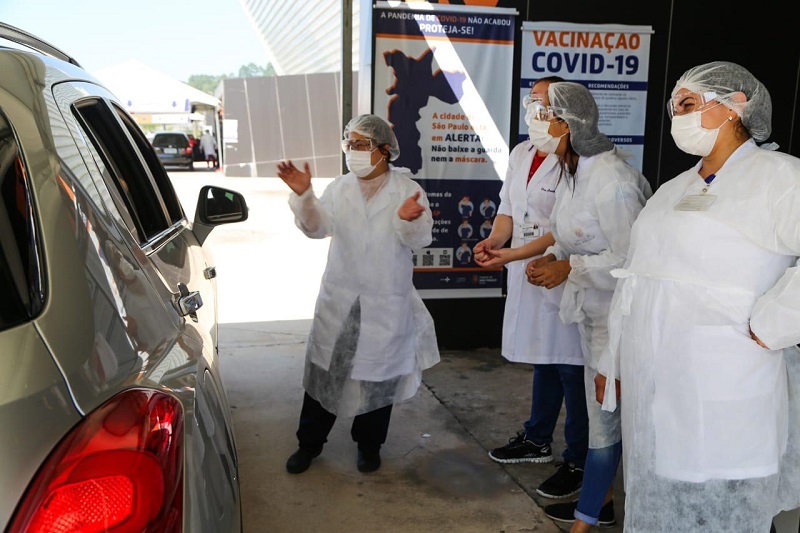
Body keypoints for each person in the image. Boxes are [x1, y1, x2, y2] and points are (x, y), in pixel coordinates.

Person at [597, 61, 800, 532]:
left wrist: (775, 324)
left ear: (736, 105)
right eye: (674, 109)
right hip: (659, 382)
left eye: (688, 104)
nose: (678, 117)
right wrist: (614, 360)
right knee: (666, 494)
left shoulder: (780, 177)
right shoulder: (673, 189)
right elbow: (636, 279)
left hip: (731, 373)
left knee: (728, 503)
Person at [483, 81, 651, 530]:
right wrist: (550, 259)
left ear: (567, 123)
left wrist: (568, 269)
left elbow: (632, 260)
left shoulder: (613, 182)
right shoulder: (575, 171)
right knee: (603, 419)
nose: (534, 123)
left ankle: (585, 519)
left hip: (615, 322)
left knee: (604, 423)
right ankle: (600, 505)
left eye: (543, 115)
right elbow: (563, 233)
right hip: (588, 312)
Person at [277, 114, 440, 475]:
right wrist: (304, 196)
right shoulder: (340, 188)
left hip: (385, 300)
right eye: (349, 143)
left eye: (362, 144)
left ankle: (369, 445)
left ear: (385, 150)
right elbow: (317, 228)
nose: (353, 151)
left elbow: (421, 239)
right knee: (327, 370)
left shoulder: (406, 190)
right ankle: (309, 444)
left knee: (378, 376)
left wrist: (408, 219)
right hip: (341, 298)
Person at [473, 76, 588, 504]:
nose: (534, 110)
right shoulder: (523, 152)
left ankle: (578, 458)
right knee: (544, 358)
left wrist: (515, 253)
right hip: (526, 267)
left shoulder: (580, 157)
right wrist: (495, 242)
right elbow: (509, 207)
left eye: (543, 103)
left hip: (565, 272)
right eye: (531, 101)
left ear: (565, 110)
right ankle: (538, 438)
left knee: (571, 366)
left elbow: (565, 227)